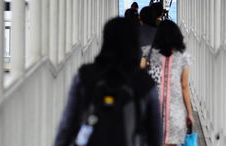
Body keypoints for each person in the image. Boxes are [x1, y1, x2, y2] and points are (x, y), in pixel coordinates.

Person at [54, 17, 162, 146]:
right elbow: (155, 133)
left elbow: (67, 125)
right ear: (135, 42)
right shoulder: (144, 82)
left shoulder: (85, 76)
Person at [141, 20, 194, 146]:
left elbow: (137, 73)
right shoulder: (183, 56)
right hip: (175, 110)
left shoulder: (149, 52)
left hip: (152, 107)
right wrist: (190, 113)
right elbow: (184, 86)